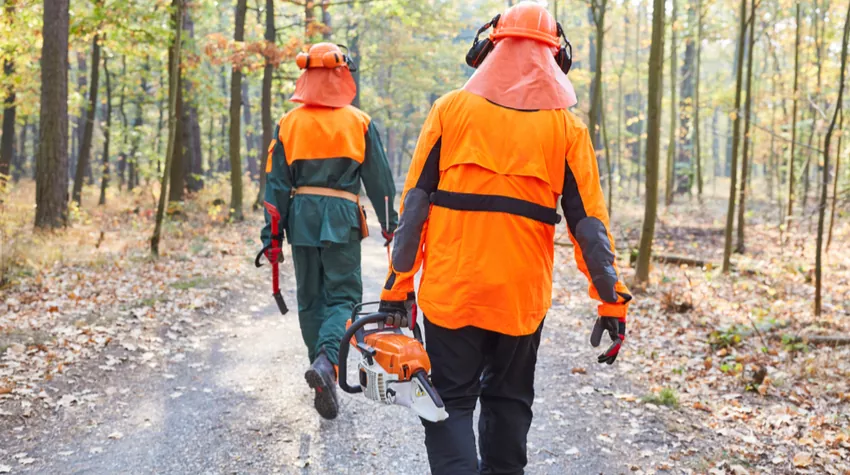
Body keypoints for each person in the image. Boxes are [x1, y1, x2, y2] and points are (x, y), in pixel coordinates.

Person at [377, 2, 633, 473]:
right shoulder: (567, 129)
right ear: (557, 58)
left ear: (488, 48)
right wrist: (610, 301)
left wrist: (396, 290)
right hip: (520, 299)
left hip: (452, 293)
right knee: (510, 401)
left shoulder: (449, 111)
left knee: (449, 402)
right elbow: (589, 226)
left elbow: (413, 209)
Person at [261, 42, 398, 420]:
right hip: (340, 216)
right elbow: (380, 181)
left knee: (310, 300)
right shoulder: (359, 122)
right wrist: (390, 225)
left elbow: (275, 188)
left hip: (301, 217)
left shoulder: (289, 123)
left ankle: (322, 369)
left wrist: (271, 238)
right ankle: (326, 363)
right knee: (344, 298)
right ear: (341, 77)